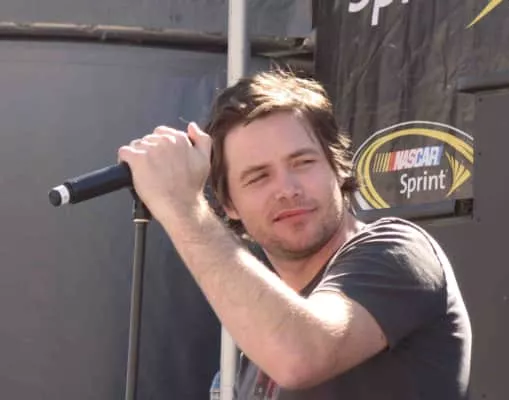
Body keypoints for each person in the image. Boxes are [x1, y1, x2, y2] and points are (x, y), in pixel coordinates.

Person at [118, 70, 472, 399]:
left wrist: (184, 208)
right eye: (259, 177)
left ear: (337, 167)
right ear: (229, 204)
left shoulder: (397, 250)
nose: (287, 189)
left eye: (303, 163)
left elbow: (301, 355)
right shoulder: (264, 334)